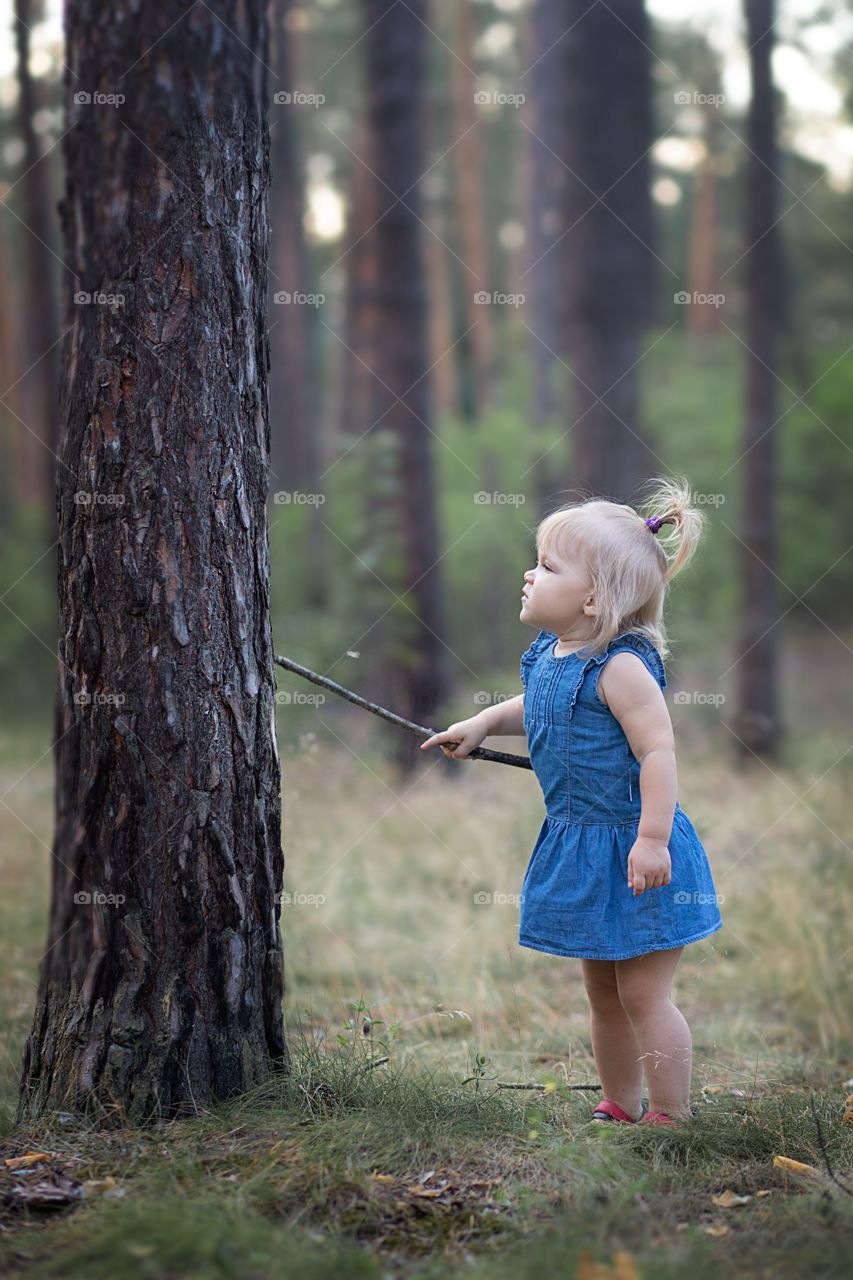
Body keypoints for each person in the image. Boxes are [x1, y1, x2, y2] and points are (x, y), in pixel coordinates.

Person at [420, 477, 723, 1127]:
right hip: (583, 848)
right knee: (603, 994)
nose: (529, 575)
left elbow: (658, 753)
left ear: (592, 598)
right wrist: (481, 723)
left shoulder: (621, 668)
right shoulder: (550, 655)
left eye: (548, 566)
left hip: (636, 851)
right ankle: (620, 1103)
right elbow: (537, 704)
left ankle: (671, 1115)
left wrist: (651, 840)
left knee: (642, 994)